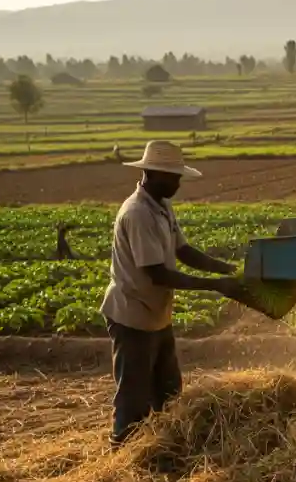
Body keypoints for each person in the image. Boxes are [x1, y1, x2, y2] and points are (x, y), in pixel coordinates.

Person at [100, 140, 243, 448]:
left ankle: (160, 452)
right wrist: (214, 285)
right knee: (134, 399)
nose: (178, 182)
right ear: (152, 173)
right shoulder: (137, 213)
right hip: (133, 316)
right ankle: (121, 458)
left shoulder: (161, 206)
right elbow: (157, 273)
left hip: (156, 316)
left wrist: (228, 270)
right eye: (172, 176)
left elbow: (183, 250)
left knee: (168, 393)